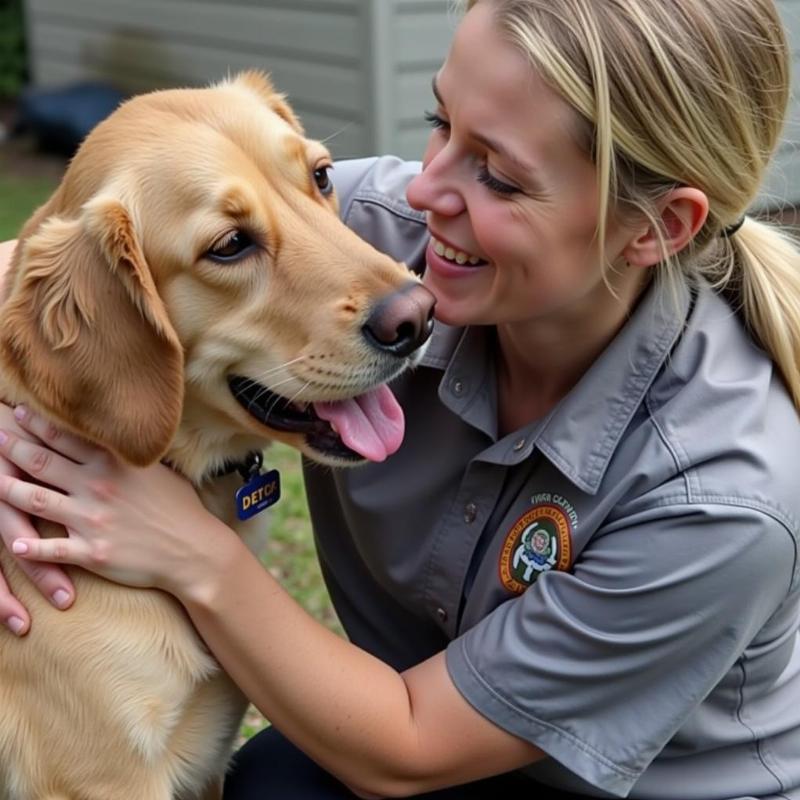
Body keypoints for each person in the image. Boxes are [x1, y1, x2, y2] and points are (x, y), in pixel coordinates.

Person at [1, 0, 800, 797]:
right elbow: (43, 274)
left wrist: (191, 551)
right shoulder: (376, 235)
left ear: (657, 228)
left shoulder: (723, 496)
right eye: (440, 122)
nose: (424, 191)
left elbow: (410, 747)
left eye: (498, 175)